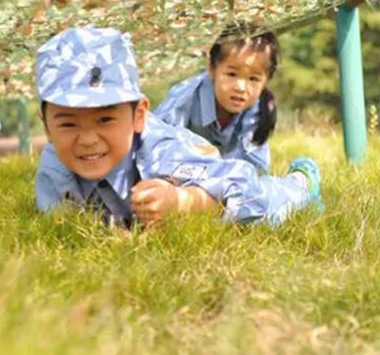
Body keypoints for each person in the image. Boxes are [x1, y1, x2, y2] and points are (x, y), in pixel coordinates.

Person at [35, 27, 323, 228]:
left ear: (138, 116)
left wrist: (185, 201)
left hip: (198, 164)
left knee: (264, 204)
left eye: (105, 119)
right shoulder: (54, 164)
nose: (87, 139)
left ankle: (300, 183)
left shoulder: (161, 152)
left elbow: (244, 185)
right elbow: (63, 224)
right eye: (68, 122)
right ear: (47, 126)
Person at [155, 27, 279, 173]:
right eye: (232, 74)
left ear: (266, 80)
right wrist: (194, 149)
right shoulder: (184, 97)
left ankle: (303, 178)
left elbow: (255, 169)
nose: (240, 87)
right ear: (212, 69)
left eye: (253, 79)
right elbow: (155, 146)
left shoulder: (260, 109)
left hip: (222, 179)